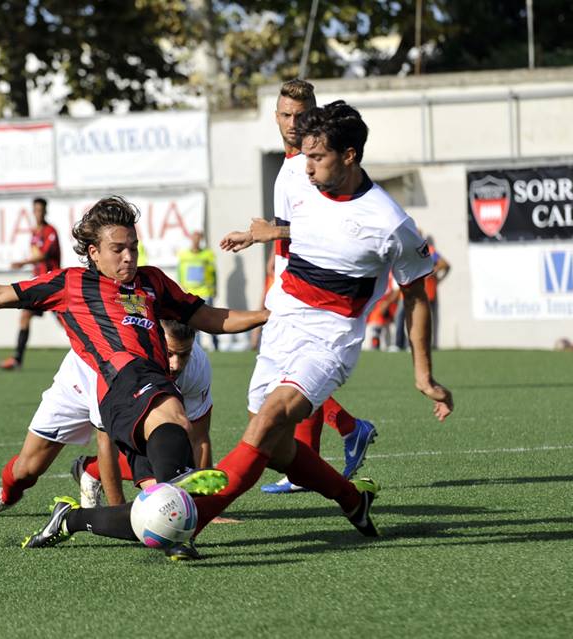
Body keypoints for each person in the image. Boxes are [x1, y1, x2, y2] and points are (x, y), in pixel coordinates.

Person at [25, 103, 454, 560]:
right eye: (304, 156)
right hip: (283, 322)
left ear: (349, 156)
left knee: (268, 421)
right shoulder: (300, 180)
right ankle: (353, 498)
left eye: (317, 158)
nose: (306, 168)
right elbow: (311, 226)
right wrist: (268, 232)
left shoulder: (390, 223)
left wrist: (423, 373)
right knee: (275, 446)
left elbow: (416, 293)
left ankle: (190, 513)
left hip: (330, 337)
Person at [0, 196, 269, 553]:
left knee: (153, 513)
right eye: (118, 250)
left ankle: (80, 519)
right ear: (94, 252)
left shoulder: (152, 281)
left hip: (143, 384)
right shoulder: (71, 283)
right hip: (120, 381)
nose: (128, 257)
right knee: (161, 419)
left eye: (133, 247)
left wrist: (270, 315)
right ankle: (170, 481)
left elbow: (210, 318)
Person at [224, 79, 378, 493]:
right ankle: (333, 440)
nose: (293, 123)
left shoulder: (315, 166)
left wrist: (266, 233)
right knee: (284, 379)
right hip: (289, 280)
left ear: (315, 113)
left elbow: (324, 227)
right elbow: (291, 230)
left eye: (302, 114)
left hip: (313, 287)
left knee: (292, 378)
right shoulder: (289, 167)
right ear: (275, 117)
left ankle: (328, 443)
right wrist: (260, 235)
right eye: (286, 115)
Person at [0, 319, 214, 518]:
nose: (176, 364)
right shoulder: (118, 364)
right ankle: (4, 496)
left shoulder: (197, 365)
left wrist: (206, 509)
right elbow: (107, 445)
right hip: (78, 385)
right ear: (152, 341)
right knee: (26, 471)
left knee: (167, 446)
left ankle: (89, 470)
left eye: (184, 354)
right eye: (169, 353)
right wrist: (121, 513)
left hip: (136, 393)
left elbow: (198, 438)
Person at [0, 198, 61, 371]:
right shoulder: (35, 233)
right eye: (36, 210)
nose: (38, 213)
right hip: (38, 284)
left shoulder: (51, 231)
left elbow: (44, 255)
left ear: (45, 211)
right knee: (25, 316)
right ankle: (17, 359)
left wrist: (22, 262)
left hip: (53, 284)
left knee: (69, 322)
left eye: (41, 210)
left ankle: (88, 353)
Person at [177, 231, 219, 351]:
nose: (196, 241)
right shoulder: (184, 255)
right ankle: (197, 347)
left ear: (201, 239)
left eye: (198, 238)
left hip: (205, 291)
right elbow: (180, 272)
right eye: (194, 238)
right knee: (195, 322)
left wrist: (214, 288)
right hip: (191, 293)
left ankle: (216, 345)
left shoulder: (208, 254)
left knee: (211, 320)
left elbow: (213, 273)